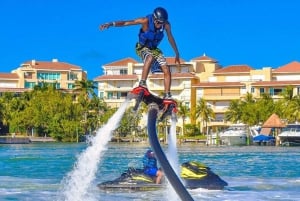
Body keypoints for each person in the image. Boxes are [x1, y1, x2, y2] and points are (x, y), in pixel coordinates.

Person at [99, 7, 180, 99]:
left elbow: (170, 38)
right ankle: (142, 83)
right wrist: (111, 24)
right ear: (153, 19)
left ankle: (167, 95)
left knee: (166, 69)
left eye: (161, 23)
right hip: (142, 47)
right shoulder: (145, 21)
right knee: (150, 57)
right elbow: (126, 23)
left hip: (154, 49)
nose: (159, 25)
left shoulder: (166, 25)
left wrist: (177, 53)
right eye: (158, 22)